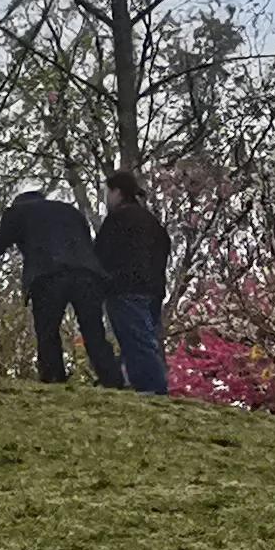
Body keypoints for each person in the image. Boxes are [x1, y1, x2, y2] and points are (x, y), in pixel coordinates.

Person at [0, 186, 125, 387]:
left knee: (47, 330)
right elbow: (87, 243)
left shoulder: (18, 212)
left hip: (48, 275)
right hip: (86, 275)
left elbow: (0, 241)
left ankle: (54, 379)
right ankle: (112, 380)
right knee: (93, 331)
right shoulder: (70, 211)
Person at [96, 167, 174, 397]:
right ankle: (140, 383)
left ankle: (152, 388)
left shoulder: (117, 220)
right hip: (153, 289)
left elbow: (100, 254)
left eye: (107, 193)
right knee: (146, 337)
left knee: (136, 340)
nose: (106, 199)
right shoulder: (151, 223)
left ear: (117, 192)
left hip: (124, 287)